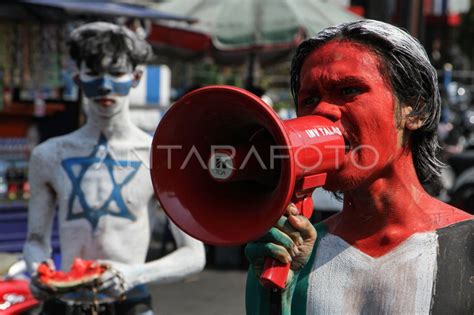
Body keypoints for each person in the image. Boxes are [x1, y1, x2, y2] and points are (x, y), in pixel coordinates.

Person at [245, 20, 473, 314]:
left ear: (415, 109)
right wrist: (271, 298)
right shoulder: (295, 255)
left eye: (349, 90)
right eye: (310, 99)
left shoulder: (466, 246)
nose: (322, 111)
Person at [23, 22, 205, 314]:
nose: (105, 86)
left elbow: (194, 255)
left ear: (136, 77)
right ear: (77, 77)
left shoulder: (161, 157)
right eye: (94, 74)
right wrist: (37, 271)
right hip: (63, 301)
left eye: (117, 73)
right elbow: (35, 240)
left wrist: (135, 274)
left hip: (130, 302)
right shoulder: (49, 155)